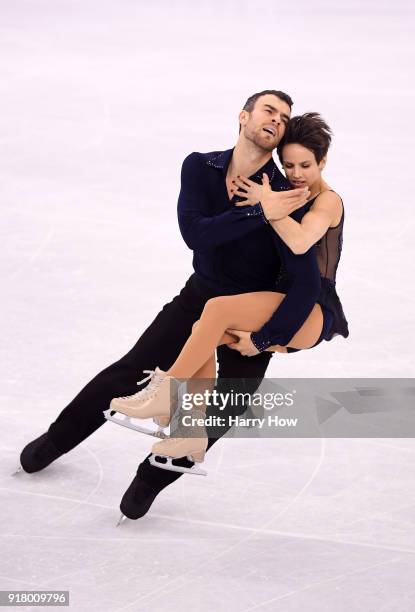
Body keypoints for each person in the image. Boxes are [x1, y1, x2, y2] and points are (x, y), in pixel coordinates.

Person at [16, 91, 329, 521]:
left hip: (247, 312)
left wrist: (269, 338)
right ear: (243, 117)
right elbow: (196, 234)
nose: (277, 120)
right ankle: (55, 441)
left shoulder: (285, 190)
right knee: (132, 370)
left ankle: (150, 479)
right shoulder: (200, 166)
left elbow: (303, 277)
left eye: (284, 117)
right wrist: (257, 212)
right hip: (200, 295)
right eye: (268, 111)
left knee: (228, 405)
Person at [108, 112, 349, 476]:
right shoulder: (287, 195)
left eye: (305, 165)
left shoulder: (327, 201)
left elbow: (301, 243)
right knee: (203, 331)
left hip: (310, 310)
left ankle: (164, 391)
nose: (296, 173)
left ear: (323, 161)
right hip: (285, 300)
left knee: (217, 308)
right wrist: (266, 205)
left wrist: (267, 208)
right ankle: (189, 432)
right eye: (289, 164)